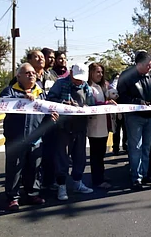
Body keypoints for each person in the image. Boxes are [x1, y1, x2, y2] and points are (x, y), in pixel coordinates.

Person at [0, 63, 59, 211]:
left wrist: (51, 117)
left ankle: (32, 194)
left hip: (36, 138)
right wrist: (23, 99)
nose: (31, 75)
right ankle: (13, 197)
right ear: (18, 76)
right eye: (27, 73)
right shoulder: (10, 91)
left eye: (33, 73)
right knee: (14, 169)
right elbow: (4, 103)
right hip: (16, 139)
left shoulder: (41, 93)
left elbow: (45, 112)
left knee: (34, 168)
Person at [117, 50, 151, 190]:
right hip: (134, 117)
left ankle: (145, 173)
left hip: (150, 116)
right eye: (148, 65)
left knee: (147, 147)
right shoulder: (126, 76)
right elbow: (122, 97)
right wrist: (138, 102)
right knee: (135, 147)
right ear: (140, 64)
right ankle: (136, 177)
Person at [47, 63, 95, 200]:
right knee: (61, 158)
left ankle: (78, 183)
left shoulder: (86, 87)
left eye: (82, 79)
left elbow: (91, 104)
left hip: (80, 127)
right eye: (77, 78)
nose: (79, 81)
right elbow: (49, 100)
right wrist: (63, 104)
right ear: (71, 74)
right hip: (63, 127)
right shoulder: (60, 84)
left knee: (79, 157)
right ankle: (61, 186)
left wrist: (85, 107)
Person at [87, 63, 116, 189]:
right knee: (96, 154)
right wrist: (106, 103)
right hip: (94, 125)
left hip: (104, 124)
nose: (100, 75)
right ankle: (97, 180)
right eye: (97, 72)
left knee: (101, 153)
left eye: (101, 72)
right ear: (91, 73)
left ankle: (101, 174)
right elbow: (91, 104)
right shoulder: (89, 87)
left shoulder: (101, 86)